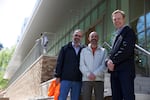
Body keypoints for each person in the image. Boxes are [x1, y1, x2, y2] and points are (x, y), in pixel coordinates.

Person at [106, 10, 136, 100]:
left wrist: (112, 60)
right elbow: (112, 52)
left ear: (124, 19)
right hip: (115, 72)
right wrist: (107, 61)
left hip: (125, 71)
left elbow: (126, 50)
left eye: (119, 19)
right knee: (116, 97)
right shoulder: (116, 35)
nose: (117, 21)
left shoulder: (129, 31)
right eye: (114, 19)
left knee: (128, 96)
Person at [54, 29, 84, 100]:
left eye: (79, 36)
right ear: (72, 36)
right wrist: (57, 76)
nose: (77, 37)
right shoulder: (65, 48)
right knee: (61, 98)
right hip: (65, 79)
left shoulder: (83, 49)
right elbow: (59, 62)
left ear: (81, 38)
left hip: (77, 80)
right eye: (76, 35)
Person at [80, 31, 107, 100]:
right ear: (89, 38)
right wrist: (89, 74)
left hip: (99, 79)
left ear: (98, 38)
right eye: (92, 37)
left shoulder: (103, 51)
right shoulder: (83, 51)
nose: (94, 38)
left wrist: (95, 74)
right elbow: (82, 65)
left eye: (95, 36)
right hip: (86, 79)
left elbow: (104, 65)